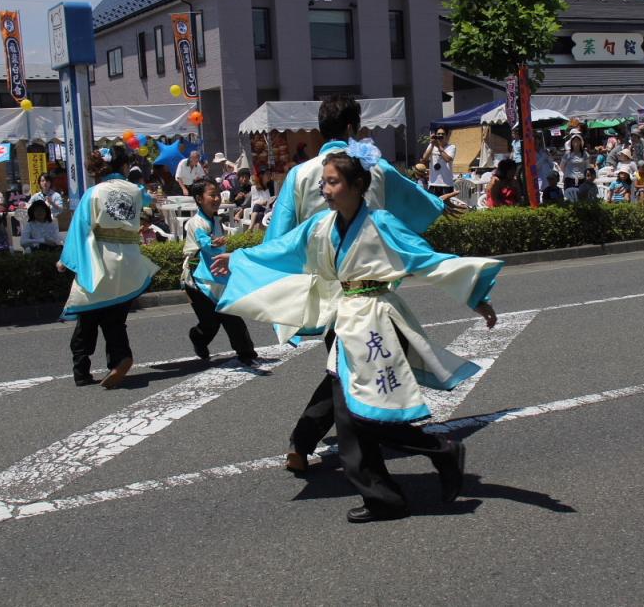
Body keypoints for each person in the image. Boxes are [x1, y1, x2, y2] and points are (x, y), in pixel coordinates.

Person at [213, 148, 501, 522]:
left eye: (332, 182)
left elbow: (428, 260)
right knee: (356, 416)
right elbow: (282, 248)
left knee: (360, 417)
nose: (325, 189)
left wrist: (477, 298)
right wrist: (238, 258)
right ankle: (404, 480)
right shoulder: (320, 226)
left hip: (378, 322)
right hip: (345, 320)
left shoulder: (381, 223)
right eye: (323, 183)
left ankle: (416, 470)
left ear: (357, 185)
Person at [213, 95, 458, 474]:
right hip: (367, 291)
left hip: (321, 287)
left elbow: (281, 237)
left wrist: (254, 267)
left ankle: (318, 445)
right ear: (351, 127)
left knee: (346, 368)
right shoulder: (371, 167)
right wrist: (440, 205)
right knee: (351, 372)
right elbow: (414, 201)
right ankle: (412, 447)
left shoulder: (301, 174)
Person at [57, 146, 160, 388]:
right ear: (124, 166)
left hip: (100, 260)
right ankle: (119, 358)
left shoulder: (93, 193)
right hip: (129, 261)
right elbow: (149, 200)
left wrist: (66, 258)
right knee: (115, 318)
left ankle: (81, 370)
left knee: (88, 316)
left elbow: (80, 227)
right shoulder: (135, 190)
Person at [182, 179, 259, 366]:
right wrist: (212, 244)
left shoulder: (216, 220)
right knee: (210, 323)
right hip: (197, 279)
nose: (217, 198)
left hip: (217, 273)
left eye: (218, 194)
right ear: (199, 199)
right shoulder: (196, 223)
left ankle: (246, 353)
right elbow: (204, 242)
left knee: (230, 313)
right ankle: (198, 337)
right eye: (212, 195)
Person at [422, 127, 456, 196]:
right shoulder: (431, 146)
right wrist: (432, 144)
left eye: (442, 134)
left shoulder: (451, 147)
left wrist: (438, 146)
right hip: (433, 183)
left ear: (447, 136)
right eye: (438, 134)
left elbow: (447, 159)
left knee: (446, 203)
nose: (440, 136)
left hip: (446, 184)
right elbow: (424, 158)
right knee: (432, 203)